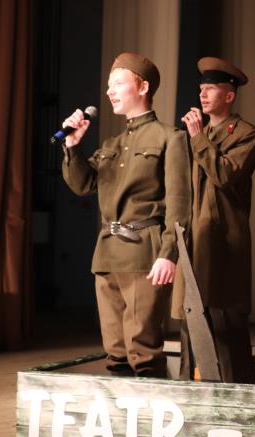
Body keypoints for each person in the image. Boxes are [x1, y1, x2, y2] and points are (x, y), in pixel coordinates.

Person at [61, 52, 190, 378]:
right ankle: (121, 411)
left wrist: (168, 253)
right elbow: (82, 184)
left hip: (144, 252)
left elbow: (179, 202)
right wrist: (73, 146)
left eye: (118, 83)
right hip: (107, 253)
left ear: (143, 87)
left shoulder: (169, 137)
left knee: (143, 350)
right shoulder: (112, 144)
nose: (110, 91)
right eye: (109, 85)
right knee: (115, 351)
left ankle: (153, 408)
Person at [174, 57, 255, 383]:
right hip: (193, 238)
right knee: (190, 317)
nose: (203, 94)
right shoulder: (192, 135)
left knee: (225, 322)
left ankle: (236, 395)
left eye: (210, 88)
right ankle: (189, 392)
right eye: (201, 89)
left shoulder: (245, 133)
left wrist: (199, 137)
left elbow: (224, 174)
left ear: (229, 95)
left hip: (223, 240)